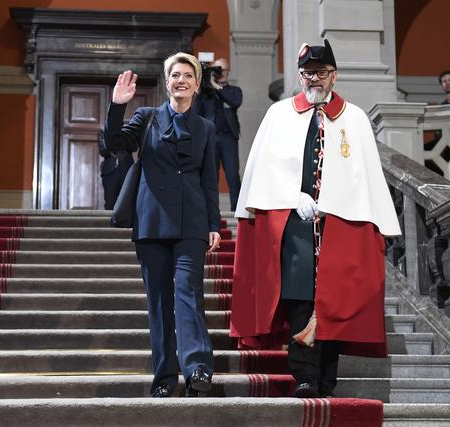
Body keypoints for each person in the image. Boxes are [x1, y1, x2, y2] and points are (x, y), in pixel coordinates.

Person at [229, 39, 401, 398]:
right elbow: (264, 169)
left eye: (321, 73)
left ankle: (326, 377)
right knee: (300, 299)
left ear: (334, 76)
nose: (314, 80)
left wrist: (340, 202)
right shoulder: (279, 114)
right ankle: (305, 376)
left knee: (335, 304)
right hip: (293, 223)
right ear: (300, 75)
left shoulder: (354, 118)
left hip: (341, 225)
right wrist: (292, 196)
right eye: (308, 73)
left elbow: (363, 176)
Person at [104, 52, 221, 398]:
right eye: (175, 75)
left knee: (188, 293)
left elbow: (210, 182)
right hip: (152, 222)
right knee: (158, 302)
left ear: (197, 84)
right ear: (167, 82)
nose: (181, 80)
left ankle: (197, 367)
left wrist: (213, 224)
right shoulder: (146, 117)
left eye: (188, 75)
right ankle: (164, 379)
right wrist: (116, 107)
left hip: (191, 224)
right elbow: (114, 145)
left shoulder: (206, 128)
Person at [194, 58, 242, 211]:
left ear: (228, 72)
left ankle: (236, 210)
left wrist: (218, 88)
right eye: (217, 69)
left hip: (228, 138)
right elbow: (196, 113)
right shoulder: (205, 93)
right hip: (210, 139)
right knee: (210, 176)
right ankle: (210, 210)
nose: (220, 73)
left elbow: (235, 101)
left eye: (223, 70)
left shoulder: (234, 91)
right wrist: (201, 88)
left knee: (233, 175)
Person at [98, 128, 134, 210]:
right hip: (110, 172)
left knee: (128, 201)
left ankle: (127, 223)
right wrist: (114, 141)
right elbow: (103, 150)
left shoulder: (127, 129)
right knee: (109, 204)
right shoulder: (102, 131)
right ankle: (109, 223)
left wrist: (121, 136)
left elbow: (133, 146)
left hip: (126, 170)